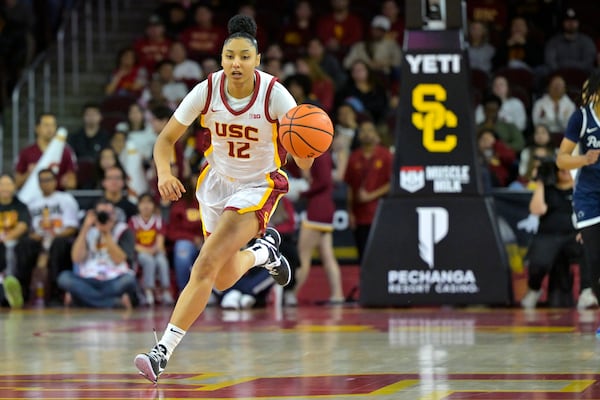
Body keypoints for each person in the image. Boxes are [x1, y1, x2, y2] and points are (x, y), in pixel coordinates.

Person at [134, 14, 314, 383]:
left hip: (257, 186)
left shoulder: (276, 94)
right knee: (221, 278)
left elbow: (304, 161)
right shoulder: (207, 89)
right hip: (216, 182)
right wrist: (165, 173)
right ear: (221, 58)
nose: (236, 63)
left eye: (244, 57)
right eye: (229, 55)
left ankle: (161, 352)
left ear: (257, 60)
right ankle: (265, 253)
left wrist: (309, 145)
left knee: (203, 265)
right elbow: (165, 140)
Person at [520, 159, 597, 309]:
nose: (567, 173)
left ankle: (586, 293)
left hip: (573, 236)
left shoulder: (582, 189)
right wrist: (540, 183)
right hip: (548, 235)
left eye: (570, 170)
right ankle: (534, 289)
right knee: (538, 262)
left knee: (589, 246)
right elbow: (537, 210)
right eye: (563, 170)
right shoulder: (548, 189)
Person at [556, 71, 600, 313]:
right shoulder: (581, 118)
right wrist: (584, 159)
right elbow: (561, 160)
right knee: (594, 262)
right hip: (589, 196)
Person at [57, 198, 138, 309]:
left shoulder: (122, 230)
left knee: (129, 280)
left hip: (114, 279)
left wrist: (106, 233)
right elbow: (76, 258)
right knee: (64, 278)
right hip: (88, 278)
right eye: (101, 214)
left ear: (114, 215)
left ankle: (82, 299)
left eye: (109, 214)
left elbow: (119, 259)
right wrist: (85, 228)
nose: (104, 217)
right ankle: (112, 303)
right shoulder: (88, 230)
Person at [288, 151, 345, 305]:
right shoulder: (321, 154)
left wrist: (304, 193)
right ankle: (337, 294)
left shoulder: (320, 155)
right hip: (325, 207)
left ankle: (292, 294)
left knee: (303, 256)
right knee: (327, 256)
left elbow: (325, 182)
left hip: (318, 209)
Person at [27, 169, 80, 306]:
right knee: (24, 244)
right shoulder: (32, 203)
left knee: (58, 244)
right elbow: (30, 229)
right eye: (42, 180)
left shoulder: (66, 199)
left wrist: (53, 236)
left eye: (49, 180)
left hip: (61, 238)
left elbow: (72, 228)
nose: (45, 183)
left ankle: (57, 292)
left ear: (55, 181)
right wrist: (35, 237)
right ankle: (24, 290)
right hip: (39, 239)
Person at [343, 120, 392, 262]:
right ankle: (364, 283)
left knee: (381, 254)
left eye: (369, 130)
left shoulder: (386, 155)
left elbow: (391, 184)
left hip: (381, 213)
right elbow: (350, 187)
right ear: (358, 136)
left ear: (376, 134)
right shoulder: (354, 157)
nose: (366, 134)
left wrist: (370, 196)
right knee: (363, 255)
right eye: (363, 131)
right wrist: (350, 212)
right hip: (360, 215)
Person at [0, 174, 39, 308]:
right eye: (2, 184)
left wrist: (4, 238)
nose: (5, 187)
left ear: (14, 186)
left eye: (8, 184)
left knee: (12, 247)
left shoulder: (20, 206)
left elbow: (22, 226)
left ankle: (12, 283)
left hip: (13, 243)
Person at [129, 193, 173, 306]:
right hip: (140, 253)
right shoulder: (133, 221)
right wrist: (148, 251)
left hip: (155, 251)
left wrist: (155, 250)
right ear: (138, 205)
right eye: (142, 203)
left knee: (161, 260)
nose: (146, 206)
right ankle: (148, 291)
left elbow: (160, 242)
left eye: (149, 202)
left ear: (154, 205)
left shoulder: (158, 221)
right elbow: (133, 244)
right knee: (148, 260)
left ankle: (165, 290)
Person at [14, 112, 78, 191]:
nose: (50, 129)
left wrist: (66, 182)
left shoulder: (66, 152)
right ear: (37, 128)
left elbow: (72, 183)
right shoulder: (26, 153)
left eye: (53, 125)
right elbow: (17, 183)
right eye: (46, 125)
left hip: (56, 196)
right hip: (32, 197)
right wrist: (29, 174)